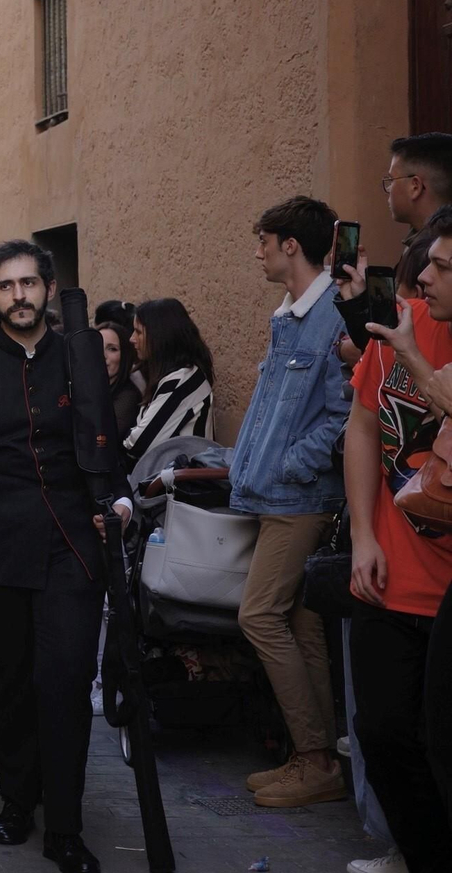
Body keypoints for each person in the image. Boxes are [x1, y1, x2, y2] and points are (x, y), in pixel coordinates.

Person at [0, 240, 133, 873]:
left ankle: (65, 827)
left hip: (74, 549)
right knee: (12, 686)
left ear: (48, 287)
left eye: (29, 283)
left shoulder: (81, 361)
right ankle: (17, 800)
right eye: (6, 286)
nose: (19, 295)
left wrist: (121, 502)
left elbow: (106, 451)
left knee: (66, 685)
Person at [340, 203, 452, 872]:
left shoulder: (413, 340)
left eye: (440, 267)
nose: (423, 279)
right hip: (388, 570)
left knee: (440, 742)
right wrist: (361, 533)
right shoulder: (398, 328)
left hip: (445, 584)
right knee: (381, 733)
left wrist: (411, 354)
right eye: (426, 264)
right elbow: (361, 425)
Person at [230, 197, 351, 809]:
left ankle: (314, 757)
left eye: (263, 241)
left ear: (290, 247)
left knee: (258, 615)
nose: (258, 251)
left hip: (300, 497)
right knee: (300, 622)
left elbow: (343, 413)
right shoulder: (290, 316)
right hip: (277, 492)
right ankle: (320, 758)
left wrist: (288, 465)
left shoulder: (331, 315)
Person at [123, 298, 216, 466]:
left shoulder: (182, 380)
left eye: (138, 332)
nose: (132, 338)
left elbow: (138, 444)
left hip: (184, 486)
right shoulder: (171, 376)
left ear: (159, 336)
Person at [384, 132, 452, 235]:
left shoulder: (437, 249)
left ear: (415, 187)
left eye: (392, 179)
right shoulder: (428, 242)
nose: (389, 189)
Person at [99, 323, 142, 443]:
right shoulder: (78, 388)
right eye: (96, 347)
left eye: (112, 349)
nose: (103, 355)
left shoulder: (128, 396)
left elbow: (102, 438)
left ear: (125, 355)